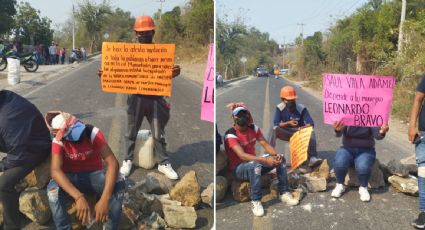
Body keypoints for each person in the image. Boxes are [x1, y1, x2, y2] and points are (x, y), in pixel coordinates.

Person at [99, 15, 181, 179]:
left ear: (153, 32)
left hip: (156, 98)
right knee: (131, 132)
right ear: (136, 34)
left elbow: (164, 74)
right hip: (136, 98)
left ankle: (163, 162)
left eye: (147, 32)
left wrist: (173, 73)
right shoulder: (128, 53)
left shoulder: (161, 53)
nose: (144, 35)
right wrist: (106, 75)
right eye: (141, 33)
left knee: (158, 133)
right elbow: (119, 72)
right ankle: (128, 160)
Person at [45, 111, 125, 229]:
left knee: (119, 181)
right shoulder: (58, 140)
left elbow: (112, 163)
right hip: (71, 178)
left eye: (78, 130)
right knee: (52, 191)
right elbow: (55, 171)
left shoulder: (92, 132)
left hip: (93, 176)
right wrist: (78, 197)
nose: (80, 135)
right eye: (73, 136)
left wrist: (104, 199)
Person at [224, 103, 299, 217]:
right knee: (256, 166)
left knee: (281, 158)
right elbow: (242, 155)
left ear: (248, 116)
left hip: (254, 162)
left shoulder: (253, 128)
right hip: (239, 169)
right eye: (238, 115)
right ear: (233, 117)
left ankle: (284, 192)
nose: (242, 117)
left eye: (244, 114)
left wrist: (275, 154)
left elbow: (264, 143)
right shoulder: (231, 134)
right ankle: (256, 200)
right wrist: (265, 160)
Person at [0, 90, 51, 229]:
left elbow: (17, 156)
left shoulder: (7, 118)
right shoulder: (4, 97)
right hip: (21, 139)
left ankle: (12, 226)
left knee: (4, 184)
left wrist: (2, 165)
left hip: (35, 148)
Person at [331, 121, 389, 202]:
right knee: (339, 162)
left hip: (366, 150)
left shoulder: (371, 116)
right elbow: (338, 134)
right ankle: (339, 185)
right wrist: (337, 130)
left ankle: (363, 187)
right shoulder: (346, 115)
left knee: (363, 167)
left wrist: (382, 131)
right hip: (347, 148)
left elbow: (378, 136)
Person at [270, 86, 322, 167]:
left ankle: (312, 158)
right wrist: (288, 123)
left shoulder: (301, 108)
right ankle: (269, 156)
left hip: (299, 132)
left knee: (311, 130)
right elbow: (276, 123)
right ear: (283, 99)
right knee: (274, 129)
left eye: (293, 100)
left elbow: (311, 123)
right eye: (288, 100)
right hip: (286, 131)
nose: (291, 102)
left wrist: (303, 128)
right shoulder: (280, 108)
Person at [409, 74, 425, 228]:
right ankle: (424, 213)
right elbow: (418, 99)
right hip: (424, 133)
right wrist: (412, 125)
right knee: (423, 172)